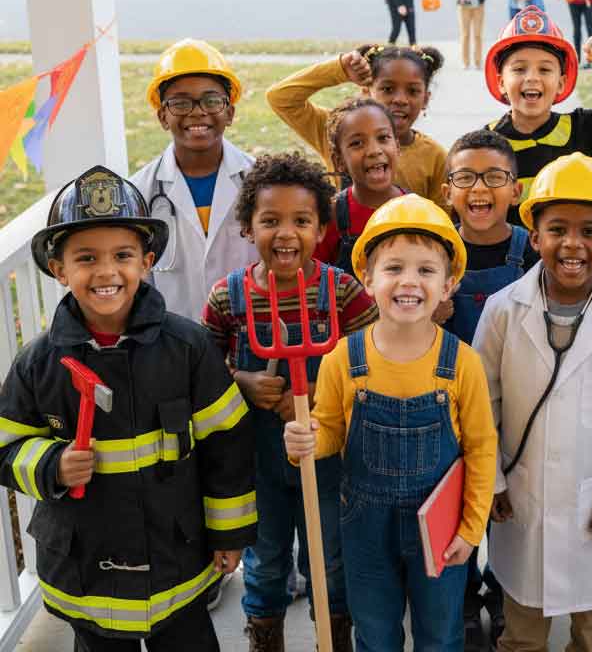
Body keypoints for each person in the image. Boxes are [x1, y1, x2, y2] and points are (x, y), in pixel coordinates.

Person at [0, 166, 256, 650]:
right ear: (59, 269)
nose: (106, 272)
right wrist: (52, 464)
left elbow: (227, 444)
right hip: (85, 571)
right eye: (85, 258)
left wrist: (229, 532)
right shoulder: (39, 363)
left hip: (175, 559)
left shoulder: (189, 348)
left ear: (148, 261)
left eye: (122, 255)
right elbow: (6, 445)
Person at [284, 195, 498, 652]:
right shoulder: (344, 356)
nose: (409, 282)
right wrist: (306, 440)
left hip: (439, 526)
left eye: (425, 270)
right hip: (365, 526)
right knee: (375, 634)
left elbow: (481, 448)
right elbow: (329, 432)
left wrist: (470, 529)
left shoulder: (462, 363)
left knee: (440, 635)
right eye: (394, 268)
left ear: (448, 285)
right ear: (367, 278)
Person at [474, 153, 592, 650]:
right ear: (534, 237)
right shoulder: (501, 312)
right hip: (522, 503)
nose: (572, 244)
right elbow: (480, 408)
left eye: (590, 231)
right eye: (557, 229)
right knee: (522, 632)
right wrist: (490, 481)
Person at [203, 153, 378, 652]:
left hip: (324, 455)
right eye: (270, 221)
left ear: (320, 226)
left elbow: (371, 362)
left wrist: (320, 398)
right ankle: (265, 638)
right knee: (265, 556)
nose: (285, 234)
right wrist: (241, 381)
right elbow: (202, 370)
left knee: (329, 555)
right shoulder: (226, 298)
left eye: (301, 221)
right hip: (256, 460)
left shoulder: (341, 292)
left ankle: (334, 637)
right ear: (247, 227)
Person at [440, 128, 539, 649]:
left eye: (495, 177)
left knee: (508, 512)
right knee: (456, 512)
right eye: (465, 177)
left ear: (516, 190)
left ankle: (504, 598)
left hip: (515, 408)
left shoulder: (530, 253)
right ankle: (460, 602)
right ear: (447, 191)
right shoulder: (434, 254)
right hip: (447, 411)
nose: (480, 188)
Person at [483, 5, 592, 225]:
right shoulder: (485, 146)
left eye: (545, 70)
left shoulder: (584, 129)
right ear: (501, 82)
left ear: (561, 83)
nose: (532, 78)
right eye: (519, 69)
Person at [131, 38, 257, 322]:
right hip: (174, 344)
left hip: (249, 339)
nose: (197, 111)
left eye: (212, 100)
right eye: (180, 103)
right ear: (163, 116)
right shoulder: (140, 192)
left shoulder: (261, 182)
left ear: (230, 112)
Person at [266, 43, 447, 203]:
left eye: (413, 91)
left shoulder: (435, 157)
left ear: (425, 99)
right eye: (388, 89)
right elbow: (280, 98)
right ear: (366, 92)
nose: (400, 99)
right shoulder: (337, 132)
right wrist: (339, 69)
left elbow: (442, 224)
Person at [315, 97, 406, 275]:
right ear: (339, 160)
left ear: (397, 146)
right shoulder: (331, 215)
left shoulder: (418, 211)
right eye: (357, 143)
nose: (374, 150)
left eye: (383, 138)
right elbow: (314, 281)